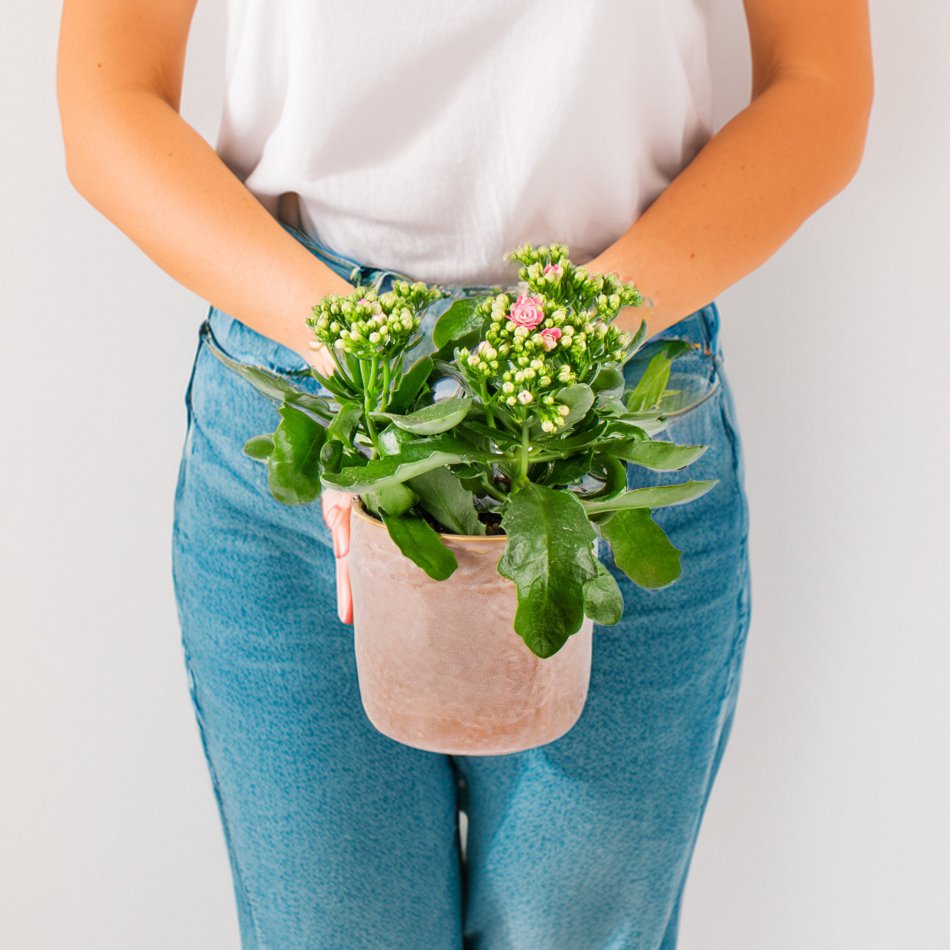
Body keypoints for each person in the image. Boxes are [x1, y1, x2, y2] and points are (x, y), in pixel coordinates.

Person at [57, 1, 873, 946]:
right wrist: (360, 350)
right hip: (305, 397)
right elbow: (106, 96)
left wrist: (581, 334)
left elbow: (822, 85)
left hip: (611, 416)